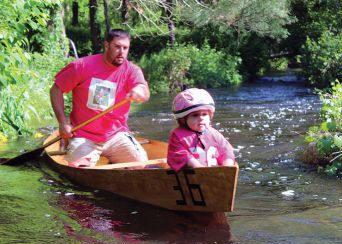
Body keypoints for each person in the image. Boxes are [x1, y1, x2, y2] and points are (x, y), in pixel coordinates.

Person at [50, 29, 150, 167]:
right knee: (80, 170)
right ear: (107, 45)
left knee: (140, 164)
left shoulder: (132, 70)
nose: (122, 52)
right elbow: (56, 89)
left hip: (116, 135)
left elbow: (143, 90)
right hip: (84, 135)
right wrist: (62, 122)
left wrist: (139, 91)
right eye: (117, 47)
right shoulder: (82, 66)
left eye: (125, 48)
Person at [167, 88, 235, 171]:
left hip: (217, 175)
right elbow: (180, 155)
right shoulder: (178, 136)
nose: (201, 118)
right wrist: (202, 170)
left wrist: (227, 168)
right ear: (183, 119)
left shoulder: (214, 133)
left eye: (205, 114)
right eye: (195, 115)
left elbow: (226, 150)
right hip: (194, 176)